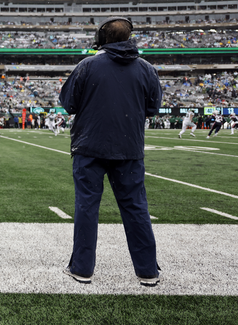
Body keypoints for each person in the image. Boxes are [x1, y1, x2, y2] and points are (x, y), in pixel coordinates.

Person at [59, 17, 163, 287]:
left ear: (101, 38)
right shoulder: (146, 69)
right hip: (129, 148)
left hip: (89, 146)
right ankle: (148, 271)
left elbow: (67, 103)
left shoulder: (87, 65)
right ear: (130, 37)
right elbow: (153, 108)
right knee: (136, 208)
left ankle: (82, 269)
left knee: (87, 207)